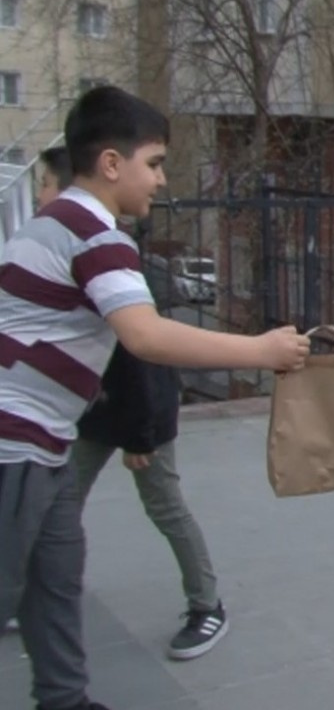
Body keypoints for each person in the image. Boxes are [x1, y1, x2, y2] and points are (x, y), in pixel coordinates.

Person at [0, 86, 309, 710]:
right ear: (111, 163)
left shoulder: (54, 220)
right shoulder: (98, 234)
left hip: (47, 443)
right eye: (156, 163)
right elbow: (144, 335)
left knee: (55, 579)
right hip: (17, 445)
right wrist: (261, 351)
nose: (162, 180)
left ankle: (65, 699)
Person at [40, 145, 230, 661]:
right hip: (92, 412)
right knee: (57, 505)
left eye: (44, 184)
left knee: (165, 507)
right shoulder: (60, 248)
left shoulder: (107, 252)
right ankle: (39, 595)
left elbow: (142, 354)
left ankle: (207, 605)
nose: (38, 195)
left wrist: (139, 436)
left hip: (140, 413)